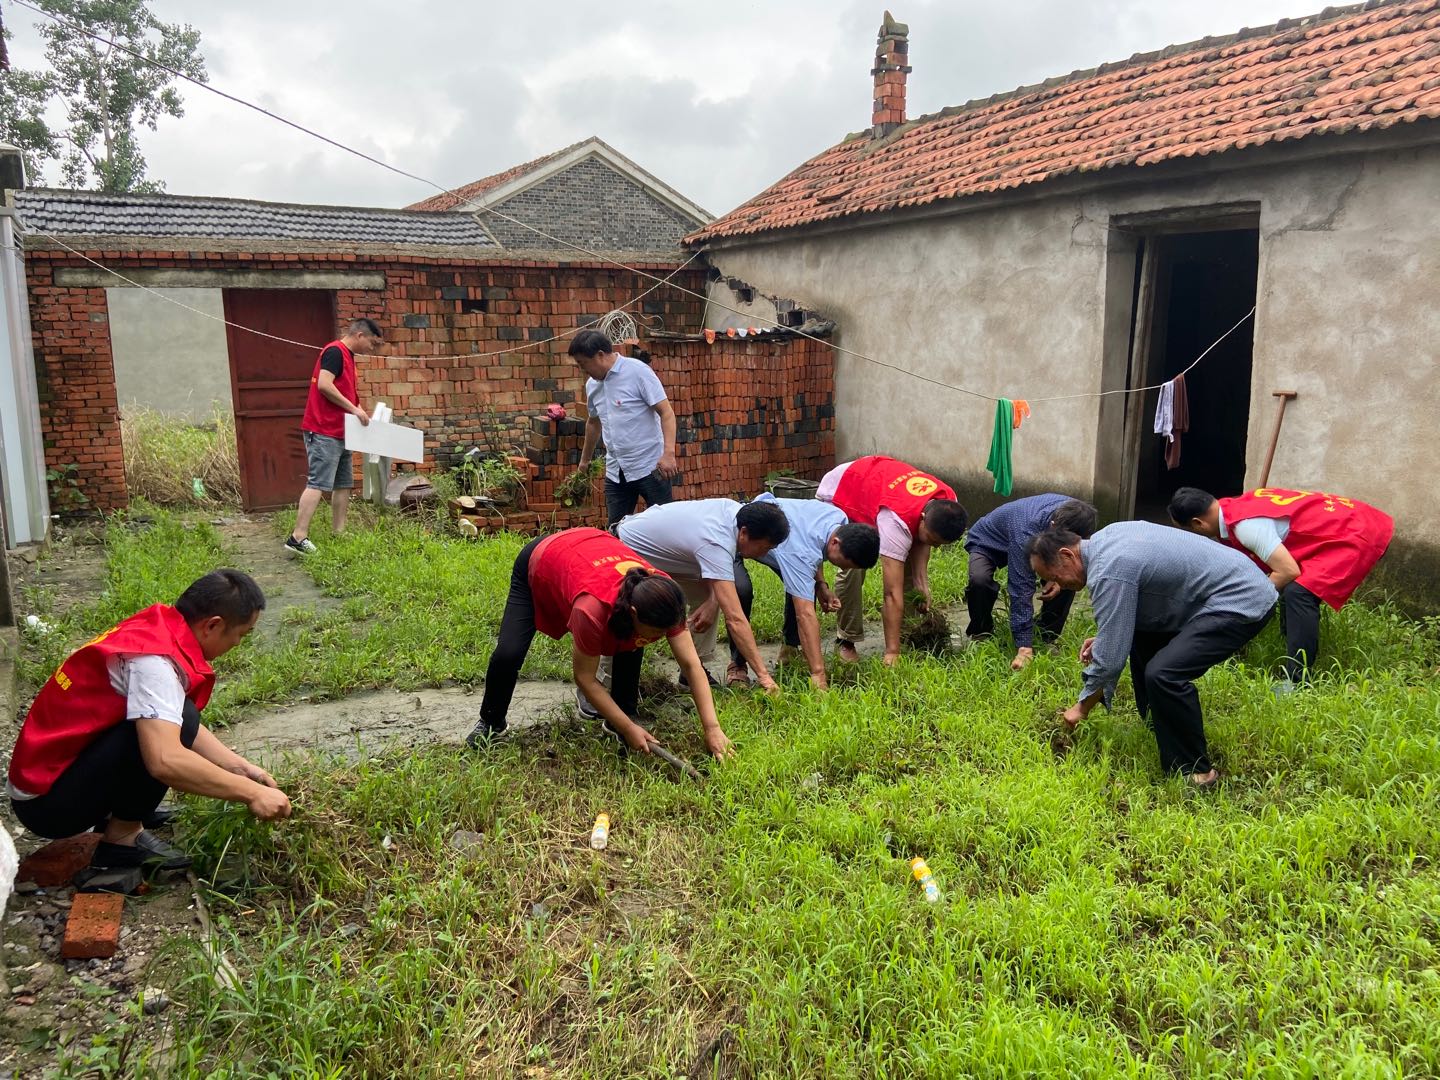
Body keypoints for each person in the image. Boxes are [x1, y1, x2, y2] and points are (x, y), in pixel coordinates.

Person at [8, 571, 292, 871]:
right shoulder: (155, 665)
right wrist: (253, 793)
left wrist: (241, 767)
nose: (238, 642)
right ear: (213, 625)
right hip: (48, 806)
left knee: (177, 715)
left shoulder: (156, 627)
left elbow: (176, 718)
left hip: (56, 774)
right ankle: (123, 838)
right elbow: (165, 760)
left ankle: (123, 811)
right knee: (168, 730)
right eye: (242, 634)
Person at [1027, 523, 1276, 788]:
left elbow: (1110, 660)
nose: (1056, 584)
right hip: (1231, 585)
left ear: (1067, 555)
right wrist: (1108, 637)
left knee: (1164, 675)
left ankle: (1197, 772)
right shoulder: (1106, 540)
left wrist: (1081, 708)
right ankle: (1160, 725)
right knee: (1140, 637)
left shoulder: (1109, 571)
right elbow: (1125, 616)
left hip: (1242, 599)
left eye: (1052, 575)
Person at [468, 528, 733, 760]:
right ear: (632, 611)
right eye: (657, 632)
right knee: (508, 654)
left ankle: (622, 716)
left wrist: (712, 728)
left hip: (592, 547)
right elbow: (585, 678)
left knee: (631, 640)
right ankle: (490, 722)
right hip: (542, 558)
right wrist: (630, 730)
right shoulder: (591, 610)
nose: (662, 637)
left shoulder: (663, 596)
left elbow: (691, 665)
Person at [1168, 486, 1394, 687]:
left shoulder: (1247, 527)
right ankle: (1293, 640)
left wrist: (1246, 601)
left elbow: (1287, 571)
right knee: (1290, 588)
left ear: (1198, 523)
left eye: (1192, 530)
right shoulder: (1233, 507)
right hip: (1348, 519)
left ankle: (1298, 679)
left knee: (1299, 592)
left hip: (1355, 531)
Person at [614, 498, 790, 692]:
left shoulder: (738, 514)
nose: (764, 554)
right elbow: (735, 619)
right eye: (765, 547)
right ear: (744, 533)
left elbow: (717, 579)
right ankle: (602, 686)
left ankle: (692, 670)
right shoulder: (717, 541)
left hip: (671, 556)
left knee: (708, 595)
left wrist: (713, 602)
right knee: (623, 614)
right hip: (628, 549)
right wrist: (765, 677)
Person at [816, 455, 969, 665]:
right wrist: (892, 653)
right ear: (922, 518)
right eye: (933, 540)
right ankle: (846, 640)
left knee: (909, 568)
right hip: (847, 489)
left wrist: (921, 582)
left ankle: (909, 634)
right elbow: (891, 593)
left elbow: (921, 542)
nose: (935, 546)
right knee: (853, 566)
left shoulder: (948, 502)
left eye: (940, 544)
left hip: (881, 486)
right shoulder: (895, 521)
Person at [729, 493, 881, 690]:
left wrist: (821, 585)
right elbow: (805, 614)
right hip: (743, 534)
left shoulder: (837, 519)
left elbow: (814, 549)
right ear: (835, 543)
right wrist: (818, 675)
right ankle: (737, 665)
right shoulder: (800, 553)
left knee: (803, 587)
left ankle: (790, 652)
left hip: (781, 540)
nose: (844, 570)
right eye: (844, 564)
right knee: (741, 590)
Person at [964, 495, 1099, 669]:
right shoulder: (1026, 531)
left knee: (1070, 576)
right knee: (979, 580)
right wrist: (1024, 647)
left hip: (1039, 541)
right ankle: (981, 631)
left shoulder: (1079, 516)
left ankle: (1046, 634)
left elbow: (1074, 561)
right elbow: (1020, 588)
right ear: (1053, 527)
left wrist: (1057, 580)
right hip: (989, 541)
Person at [286, 318, 383, 556]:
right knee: (318, 482)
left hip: (343, 432)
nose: (372, 348)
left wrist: (360, 412)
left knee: (343, 484)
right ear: (360, 335)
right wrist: (354, 409)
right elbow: (324, 385)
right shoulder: (334, 352)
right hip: (323, 430)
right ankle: (298, 537)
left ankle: (339, 532)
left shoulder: (350, 359)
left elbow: (347, 392)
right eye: (372, 342)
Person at [571, 330, 679, 525]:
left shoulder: (638, 372)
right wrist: (584, 461)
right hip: (616, 471)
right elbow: (594, 423)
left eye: (583, 364)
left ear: (600, 355)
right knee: (616, 529)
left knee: (665, 527)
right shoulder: (592, 385)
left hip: (650, 467)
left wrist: (669, 453)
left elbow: (667, 413)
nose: (582, 370)